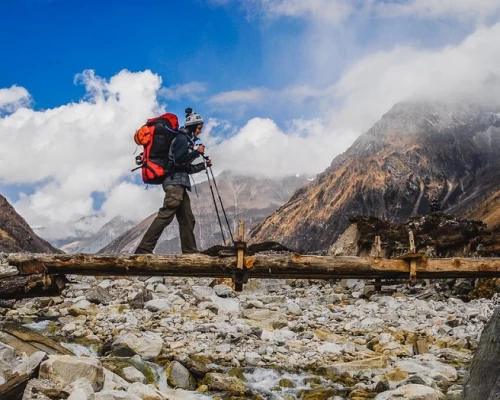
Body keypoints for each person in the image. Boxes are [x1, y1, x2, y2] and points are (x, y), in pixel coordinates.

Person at [135, 108, 211, 254]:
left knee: (187, 219)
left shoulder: (185, 140)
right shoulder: (182, 139)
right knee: (166, 215)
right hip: (174, 183)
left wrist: (204, 165)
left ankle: (189, 252)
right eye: (199, 128)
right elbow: (178, 161)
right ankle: (143, 250)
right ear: (193, 126)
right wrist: (197, 152)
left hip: (179, 183)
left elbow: (186, 168)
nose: (200, 131)